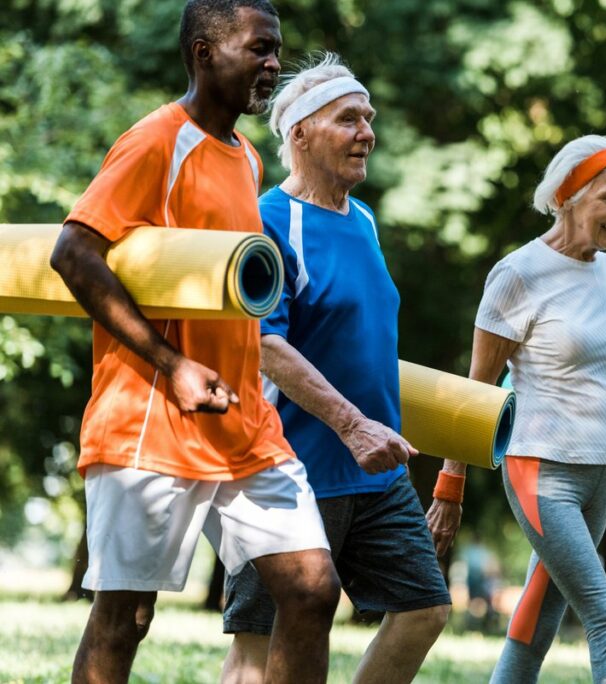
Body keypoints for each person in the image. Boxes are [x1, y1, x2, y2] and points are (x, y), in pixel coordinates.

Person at [49, 2, 341, 682]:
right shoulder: (156, 140)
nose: (273, 64)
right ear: (206, 53)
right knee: (126, 618)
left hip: (242, 423)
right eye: (259, 48)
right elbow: (73, 252)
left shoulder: (245, 158)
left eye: (277, 50)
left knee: (310, 586)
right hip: (151, 419)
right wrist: (174, 365)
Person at [219, 53, 451, 684]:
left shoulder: (366, 221)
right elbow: (263, 343)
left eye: (369, 118)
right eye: (349, 118)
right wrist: (352, 425)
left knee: (423, 610)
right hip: (285, 468)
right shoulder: (265, 220)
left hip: (376, 472)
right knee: (257, 643)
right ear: (299, 133)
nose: (367, 132)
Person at [449, 135, 606, 684]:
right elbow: (476, 389)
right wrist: (449, 487)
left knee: (536, 622)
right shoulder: (518, 274)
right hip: (540, 468)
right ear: (568, 196)